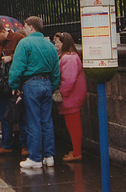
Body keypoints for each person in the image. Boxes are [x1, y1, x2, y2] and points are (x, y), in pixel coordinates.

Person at [8, 16, 60, 169]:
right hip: (47, 84)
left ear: (30, 27)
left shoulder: (24, 43)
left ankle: (35, 158)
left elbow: (17, 67)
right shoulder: (50, 45)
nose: (24, 29)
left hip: (31, 84)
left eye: (25, 26)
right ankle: (49, 156)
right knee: (47, 121)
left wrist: (14, 85)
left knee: (33, 121)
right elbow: (56, 70)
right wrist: (54, 86)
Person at [0, 22, 28, 156]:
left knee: (21, 114)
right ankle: (6, 145)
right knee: (4, 115)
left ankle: (24, 145)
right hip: (6, 84)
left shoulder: (18, 39)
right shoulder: (1, 44)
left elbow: (25, 57)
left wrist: (10, 57)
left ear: (3, 31)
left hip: (17, 83)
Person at [54, 31, 86, 162]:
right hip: (72, 96)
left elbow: (68, 80)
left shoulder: (69, 58)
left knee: (73, 125)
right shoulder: (69, 56)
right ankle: (76, 150)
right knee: (72, 125)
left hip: (71, 97)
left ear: (64, 43)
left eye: (56, 42)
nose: (54, 44)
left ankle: (77, 152)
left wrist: (61, 93)